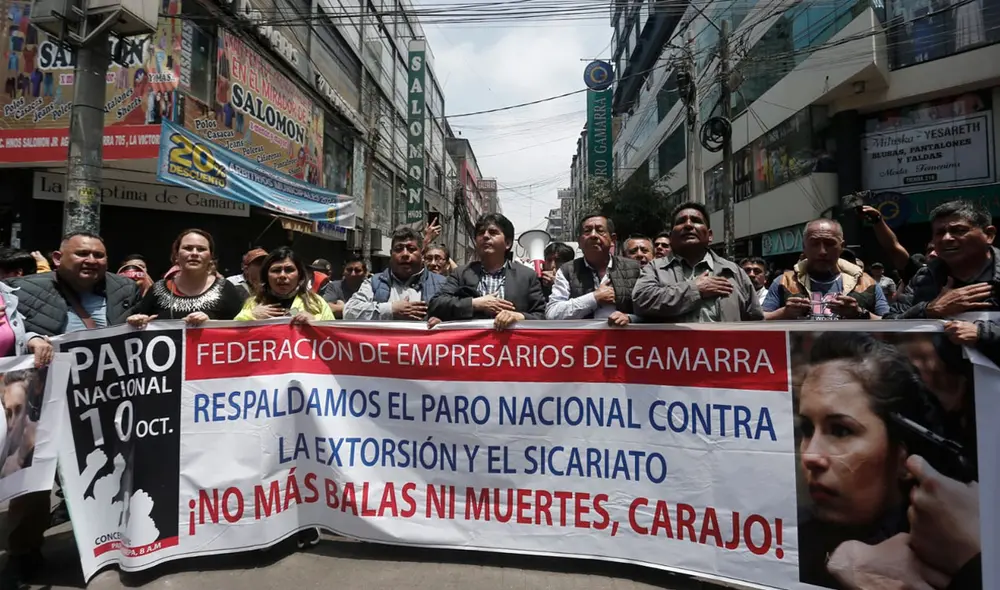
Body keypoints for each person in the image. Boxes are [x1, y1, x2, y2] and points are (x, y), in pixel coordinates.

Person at [3, 232, 141, 588]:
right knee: (31, 483)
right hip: (40, 396)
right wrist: (31, 340)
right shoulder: (25, 289)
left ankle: (105, 545)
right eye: (81, 253)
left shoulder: (124, 290)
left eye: (98, 254)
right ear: (58, 256)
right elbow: (12, 332)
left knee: (105, 471)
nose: (90, 260)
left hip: (102, 398)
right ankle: (23, 554)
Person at [796, 332, 980, 590]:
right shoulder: (785, 536)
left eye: (840, 430)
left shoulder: (959, 561)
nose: (810, 456)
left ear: (903, 456)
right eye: (806, 429)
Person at [887, 200, 1000, 363]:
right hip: (942, 385)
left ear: (988, 235)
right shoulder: (924, 278)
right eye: (940, 232)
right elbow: (889, 325)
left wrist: (981, 334)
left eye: (958, 230)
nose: (947, 238)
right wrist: (929, 310)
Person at [632, 202, 762, 322]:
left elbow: (755, 319)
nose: (688, 225)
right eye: (681, 221)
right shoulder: (655, 269)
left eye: (696, 221)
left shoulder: (734, 272)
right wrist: (695, 290)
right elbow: (641, 301)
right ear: (671, 237)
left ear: (710, 235)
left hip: (724, 347)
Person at [429, 213, 546, 329]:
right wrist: (475, 304)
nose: (485, 236)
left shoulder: (527, 276)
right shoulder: (461, 274)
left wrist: (519, 316)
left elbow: (541, 315)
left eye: (493, 232)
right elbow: (437, 304)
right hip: (471, 346)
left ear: (508, 243)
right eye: (481, 233)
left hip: (512, 346)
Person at [762, 219, 888, 320]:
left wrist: (860, 313)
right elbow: (760, 319)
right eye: (814, 244)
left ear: (842, 247)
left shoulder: (866, 283)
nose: (822, 251)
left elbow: (889, 322)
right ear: (804, 247)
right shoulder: (784, 281)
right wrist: (783, 313)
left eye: (830, 244)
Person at [126, 230, 245, 328]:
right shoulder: (157, 289)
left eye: (201, 249)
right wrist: (136, 322)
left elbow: (240, 330)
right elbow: (138, 328)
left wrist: (211, 324)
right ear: (176, 255)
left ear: (210, 257)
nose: (194, 253)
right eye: (188, 248)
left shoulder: (225, 288)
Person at [546, 214, 641, 326]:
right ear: (579, 242)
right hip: (582, 342)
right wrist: (594, 298)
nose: (593, 235)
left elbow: (650, 313)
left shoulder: (634, 269)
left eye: (600, 231)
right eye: (587, 231)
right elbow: (552, 314)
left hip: (626, 342)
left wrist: (630, 318)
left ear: (612, 240)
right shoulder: (567, 271)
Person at [344, 227, 446, 322]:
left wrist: (443, 323)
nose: (405, 254)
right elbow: (349, 312)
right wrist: (390, 310)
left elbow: (458, 315)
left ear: (422, 254)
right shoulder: (374, 283)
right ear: (391, 254)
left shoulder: (443, 285)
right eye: (398, 249)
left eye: (411, 249)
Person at [236, 247, 334, 324]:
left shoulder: (316, 303)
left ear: (299, 275)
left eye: (289, 270)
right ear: (266, 276)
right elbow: (232, 334)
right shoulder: (253, 304)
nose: (282, 275)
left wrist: (316, 322)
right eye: (276, 270)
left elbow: (334, 335)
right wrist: (251, 316)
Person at [322, 254, 366, 319]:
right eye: (349, 270)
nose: (353, 274)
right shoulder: (333, 286)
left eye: (357, 271)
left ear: (365, 273)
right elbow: (327, 309)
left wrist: (342, 307)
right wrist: (360, 310)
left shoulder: (370, 287)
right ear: (344, 271)